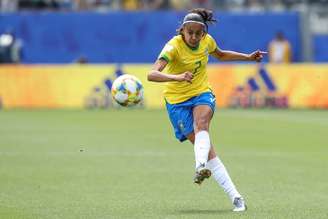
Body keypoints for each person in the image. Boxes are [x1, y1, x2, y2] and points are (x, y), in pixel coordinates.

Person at [147, 8, 266, 212]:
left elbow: (220, 54)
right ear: (182, 31)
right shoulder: (172, 47)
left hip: (201, 92)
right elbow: (151, 74)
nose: (193, 37)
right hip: (176, 102)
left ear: (204, 33)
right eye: (189, 32)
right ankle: (236, 197)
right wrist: (177, 77)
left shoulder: (207, 41)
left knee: (202, 124)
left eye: (197, 33)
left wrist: (248, 57)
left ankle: (199, 167)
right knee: (208, 150)